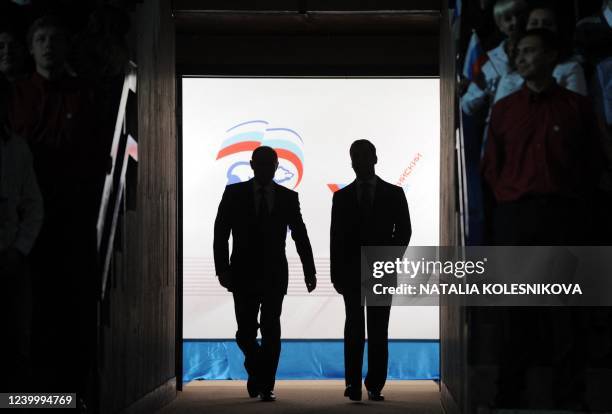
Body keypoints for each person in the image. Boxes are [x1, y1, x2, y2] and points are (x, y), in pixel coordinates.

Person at [482, 29, 602, 409]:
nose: (522, 58)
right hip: (516, 217)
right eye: (519, 52)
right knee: (514, 311)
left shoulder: (576, 107)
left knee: (566, 313)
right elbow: (491, 166)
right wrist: (508, 201)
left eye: (531, 51)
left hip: (565, 215)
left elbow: (593, 161)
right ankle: (509, 394)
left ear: (552, 57)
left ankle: (569, 397)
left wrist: (573, 202)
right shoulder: (504, 110)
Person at [8, 16, 106, 405]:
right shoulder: (15, 94)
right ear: (31, 49)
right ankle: (31, 394)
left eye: (55, 39)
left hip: (71, 215)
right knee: (27, 310)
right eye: (41, 39)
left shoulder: (83, 94)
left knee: (69, 306)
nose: (48, 46)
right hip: (22, 215)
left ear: (66, 47)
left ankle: (69, 392)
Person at [213, 146, 317, 402]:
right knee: (245, 333)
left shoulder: (288, 197)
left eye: (269, 164)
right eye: (260, 164)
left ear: (276, 166)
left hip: (274, 275)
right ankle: (260, 371)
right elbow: (220, 233)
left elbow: (300, 235)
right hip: (242, 274)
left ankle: (265, 384)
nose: (265, 168)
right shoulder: (234, 193)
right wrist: (222, 269)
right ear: (251, 164)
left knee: (271, 330)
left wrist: (309, 268)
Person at [330, 139, 411, 402]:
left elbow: (404, 232)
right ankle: (353, 384)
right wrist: (336, 274)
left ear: (375, 159)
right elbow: (336, 239)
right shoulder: (340, 198)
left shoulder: (395, 193)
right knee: (354, 328)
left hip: (382, 271)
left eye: (364, 157)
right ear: (351, 161)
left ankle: (374, 384)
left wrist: (388, 259)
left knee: (378, 330)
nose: (359, 162)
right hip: (351, 273)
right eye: (355, 158)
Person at [0, 101, 43, 393]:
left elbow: (33, 205)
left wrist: (18, 249)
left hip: (11, 255)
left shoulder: (16, 149)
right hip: (13, 253)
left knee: (16, 339)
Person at [493, 4, 588, 104]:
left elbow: (575, 109)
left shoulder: (571, 68)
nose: (540, 27)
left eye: (547, 24)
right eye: (534, 23)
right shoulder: (509, 78)